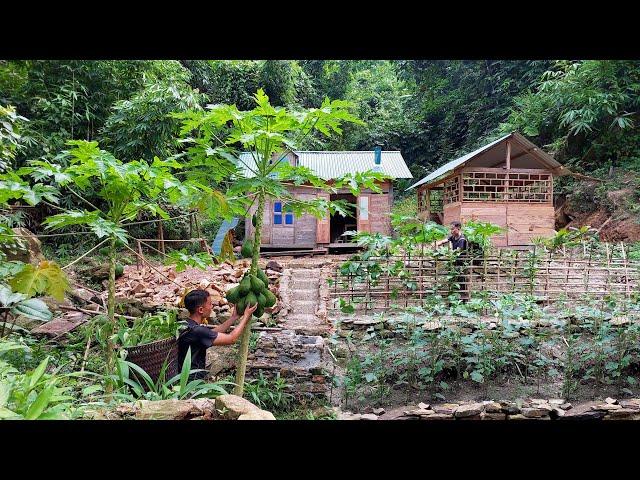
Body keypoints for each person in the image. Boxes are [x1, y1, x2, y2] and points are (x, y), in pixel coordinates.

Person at [177, 289, 257, 380]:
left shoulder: (187, 325)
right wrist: (246, 316)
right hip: (190, 382)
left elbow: (212, 333)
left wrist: (234, 318)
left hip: (183, 376)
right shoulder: (198, 331)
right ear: (200, 310)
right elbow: (232, 339)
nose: (212, 306)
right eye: (210, 304)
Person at [437, 221, 470, 302]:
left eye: (453, 229)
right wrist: (438, 243)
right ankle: (455, 299)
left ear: (458, 228)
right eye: (450, 229)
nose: (451, 231)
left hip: (461, 263)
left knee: (461, 281)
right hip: (455, 262)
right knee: (455, 281)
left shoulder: (462, 239)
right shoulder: (453, 237)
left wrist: (447, 254)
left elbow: (458, 252)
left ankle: (462, 300)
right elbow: (446, 240)